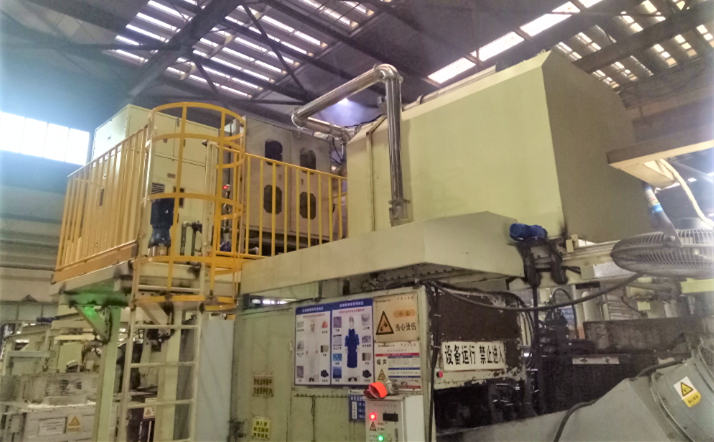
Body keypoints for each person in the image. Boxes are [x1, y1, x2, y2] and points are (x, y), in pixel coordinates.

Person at [344, 316, 360, 382]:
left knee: (354, 363)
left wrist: (358, 347)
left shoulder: (355, 330)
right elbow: (346, 339)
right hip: (349, 349)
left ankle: (355, 376)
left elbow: (357, 339)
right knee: (349, 363)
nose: (351, 323)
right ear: (349, 322)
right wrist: (346, 348)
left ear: (353, 322)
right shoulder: (347, 330)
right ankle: (350, 376)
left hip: (354, 348)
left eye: (351, 321)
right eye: (350, 322)